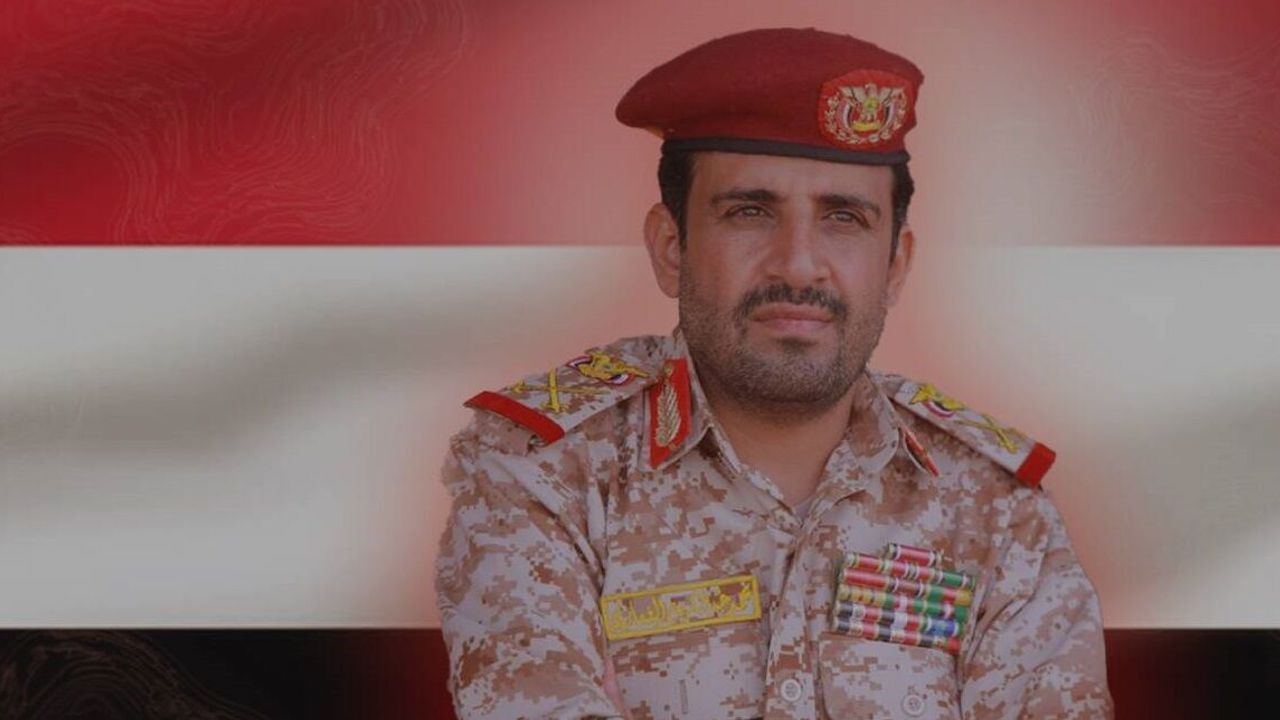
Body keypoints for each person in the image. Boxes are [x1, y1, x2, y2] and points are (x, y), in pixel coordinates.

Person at [435, 27, 1112, 720]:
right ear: (671, 248)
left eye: (843, 218)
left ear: (895, 266)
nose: (798, 264)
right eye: (750, 212)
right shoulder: (542, 470)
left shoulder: (994, 504)